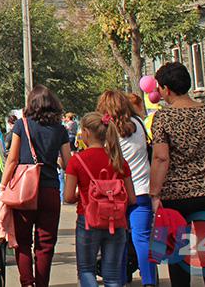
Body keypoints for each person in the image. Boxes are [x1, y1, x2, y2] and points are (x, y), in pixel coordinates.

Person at [148, 61, 205, 287]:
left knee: (178, 257)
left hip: (176, 198)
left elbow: (161, 157)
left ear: (166, 89)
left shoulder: (164, 118)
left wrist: (154, 194)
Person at [0, 86, 72, 287]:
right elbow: (67, 163)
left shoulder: (22, 125)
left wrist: (3, 186)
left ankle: (27, 283)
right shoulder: (60, 129)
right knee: (46, 244)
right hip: (49, 189)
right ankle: (42, 284)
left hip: (24, 190)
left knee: (22, 242)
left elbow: (12, 159)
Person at [64, 112, 136, 287]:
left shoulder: (77, 161)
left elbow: (68, 197)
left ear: (87, 133)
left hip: (88, 220)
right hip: (116, 221)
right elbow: (132, 198)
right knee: (112, 274)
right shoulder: (119, 160)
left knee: (86, 270)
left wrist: (83, 196)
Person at [96, 90, 155, 287]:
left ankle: (117, 280)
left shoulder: (106, 131)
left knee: (116, 240)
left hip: (116, 193)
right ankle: (149, 280)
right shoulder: (138, 124)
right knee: (142, 238)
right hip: (142, 189)